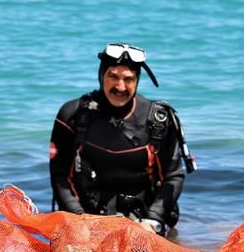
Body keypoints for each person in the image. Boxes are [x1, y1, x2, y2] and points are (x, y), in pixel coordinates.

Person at [49, 43, 196, 236]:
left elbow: (173, 177)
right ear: (101, 75)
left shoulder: (158, 121)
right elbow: (60, 176)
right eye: (113, 77)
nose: (120, 87)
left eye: (129, 79)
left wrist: (153, 220)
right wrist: (79, 219)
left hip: (144, 223)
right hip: (86, 220)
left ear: (137, 80)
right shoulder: (72, 115)